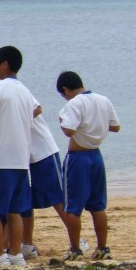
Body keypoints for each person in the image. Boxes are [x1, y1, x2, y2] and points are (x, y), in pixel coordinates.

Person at [0, 46, 39, 268]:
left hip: (0, 158)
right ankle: (15, 254)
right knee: (15, 210)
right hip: (21, 158)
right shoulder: (25, 91)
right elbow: (34, 112)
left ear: (4, 64)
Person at [57, 71, 121, 260]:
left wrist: (61, 121)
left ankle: (75, 249)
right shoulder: (103, 100)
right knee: (97, 206)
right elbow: (115, 126)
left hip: (78, 158)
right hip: (96, 155)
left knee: (72, 207)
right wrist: (95, 125)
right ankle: (103, 247)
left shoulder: (74, 103)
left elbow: (69, 131)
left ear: (65, 90)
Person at [20, 114, 67, 259]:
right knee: (24, 200)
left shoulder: (23, 97)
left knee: (57, 198)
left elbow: (37, 109)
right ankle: (27, 244)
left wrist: (16, 120)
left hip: (43, 152)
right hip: (21, 156)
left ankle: (76, 241)